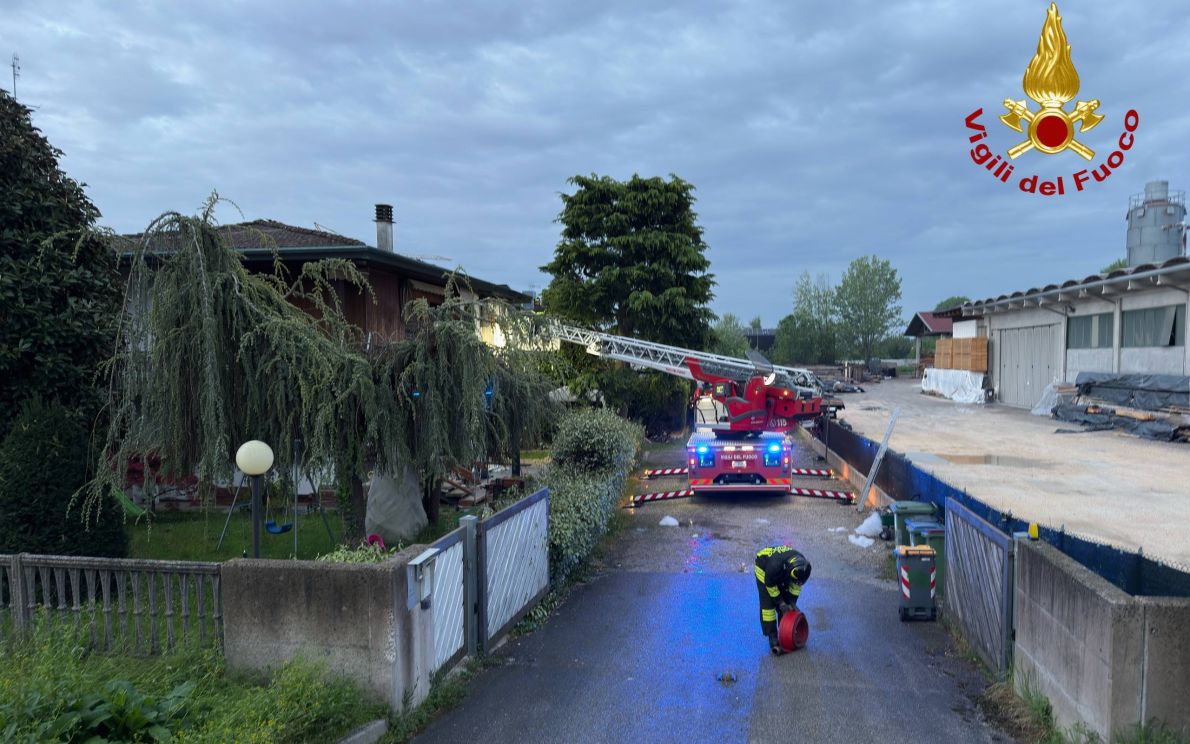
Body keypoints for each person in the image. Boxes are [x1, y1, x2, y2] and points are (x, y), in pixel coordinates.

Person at [754, 545, 811, 655]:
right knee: (768, 606)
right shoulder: (774, 566)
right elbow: (770, 585)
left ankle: (785, 630)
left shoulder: (802, 567)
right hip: (764, 568)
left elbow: (796, 586)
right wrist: (781, 603)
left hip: (781, 570)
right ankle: (773, 637)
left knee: (786, 601)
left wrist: (791, 603)